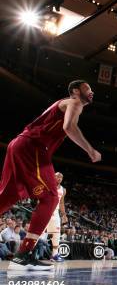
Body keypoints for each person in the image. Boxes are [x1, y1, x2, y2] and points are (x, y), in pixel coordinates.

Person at [0, 80, 101, 270]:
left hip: (20, 145)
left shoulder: (64, 105)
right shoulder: (74, 102)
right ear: (75, 91)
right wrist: (90, 150)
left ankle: (23, 256)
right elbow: (68, 127)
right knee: (51, 197)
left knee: (7, 197)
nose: (92, 92)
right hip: (33, 148)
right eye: (88, 88)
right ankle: (23, 255)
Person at [45, 172, 67, 262]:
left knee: (56, 234)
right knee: (40, 233)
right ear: (53, 177)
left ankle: (54, 255)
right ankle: (28, 253)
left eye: (61, 177)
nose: (59, 178)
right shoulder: (48, 185)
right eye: (57, 176)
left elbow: (61, 203)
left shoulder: (63, 190)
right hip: (45, 211)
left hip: (55, 213)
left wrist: (64, 214)